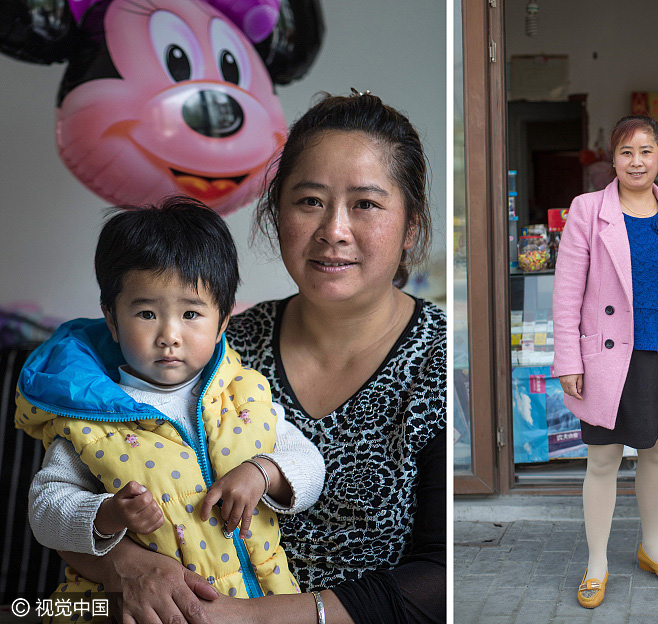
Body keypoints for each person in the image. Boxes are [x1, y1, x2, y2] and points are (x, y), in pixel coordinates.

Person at [50, 92, 446, 624]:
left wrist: (247, 617)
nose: (333, 230)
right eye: (309, 201)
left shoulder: (441, 360)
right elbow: (66, 501)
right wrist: (129, 564)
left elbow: (441, 578)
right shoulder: (217, 347)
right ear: (276, 212)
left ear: (411, 226)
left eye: (366, 204)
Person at [16, 197, 326, 608]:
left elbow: (309, 463)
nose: (169, 335)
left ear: (222, 322)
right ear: (111, 318)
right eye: (146, 313)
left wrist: (263, 472)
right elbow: (46, 507)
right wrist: (107, 514)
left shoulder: (244, 394)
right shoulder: (89, 417)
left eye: (192, 314)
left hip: (260, 602)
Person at [552, 114, 658, 609]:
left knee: (657, 452)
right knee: (603, 458)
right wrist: (568, 360)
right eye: (626, 152)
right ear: (612, 160)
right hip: (604, 355)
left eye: (646, 151)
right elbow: (566, 293)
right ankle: (597, 562)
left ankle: (651, 547)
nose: (636, 161)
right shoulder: (586, 210)